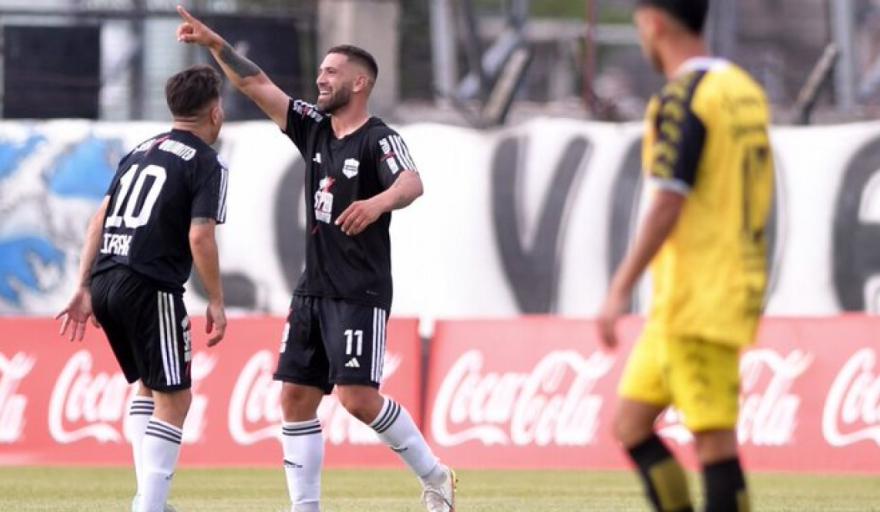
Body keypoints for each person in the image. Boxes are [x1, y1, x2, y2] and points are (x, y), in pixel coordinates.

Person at [175, 6, 456, 512]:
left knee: (357, 399)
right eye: (321, 71)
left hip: (359, 290)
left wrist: (376, 202)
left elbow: (411, 182)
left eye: (331, 72)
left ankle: (435, 476)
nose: (321, 79)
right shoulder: (313, 128)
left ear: (360, 82)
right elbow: (257, 84)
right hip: (312, 290)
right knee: (295, 399)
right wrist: (216, 45)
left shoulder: (379, 138)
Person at [597, 1, 773, 511]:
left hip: (696, 294)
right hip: (719, 284)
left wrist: (619, 285)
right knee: (630, 424)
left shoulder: (684, 97)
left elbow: (668, 201)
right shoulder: (743, 90)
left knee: (714, 441)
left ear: (653, 23)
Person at [56, 65, 229, 512]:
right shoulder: (207, 162)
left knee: (149, 390)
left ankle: (147, 498)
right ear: (215, 112)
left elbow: (99, 220)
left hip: (106, 279)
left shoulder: (139, 152)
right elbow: (200, 235)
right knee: (177, 397)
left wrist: (82, 285)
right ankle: (149, 505)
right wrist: (217, 300)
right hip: (149, 284)